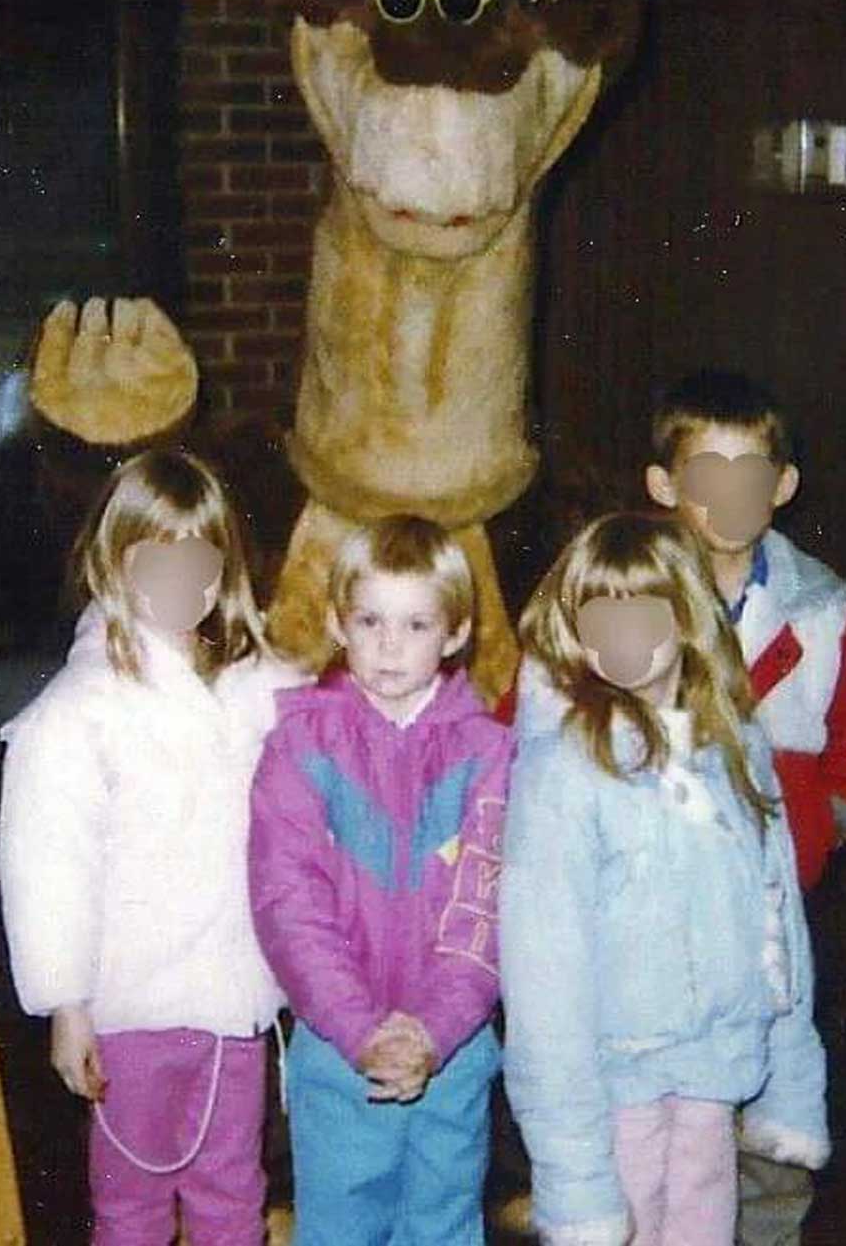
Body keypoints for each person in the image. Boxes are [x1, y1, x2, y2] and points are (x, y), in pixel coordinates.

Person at [0, 448, 301, 1246]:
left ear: (224, 571)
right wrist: (66, 1004)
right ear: (114, 563)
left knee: (233, 1193)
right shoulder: (79, 710)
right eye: (155, 564)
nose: (178, 583)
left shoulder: (254, 687)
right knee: (132, 1202)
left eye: (199, 564)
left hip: (232, 1002)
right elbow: (48, 866)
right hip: (131, 1009)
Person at [501, 512, 828, 1246]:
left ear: (685, 619)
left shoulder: (735, 750)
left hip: (713, 1074)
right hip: (616, 1086)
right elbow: (542, 976)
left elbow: (780, 927)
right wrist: (573, 1174)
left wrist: (790, 1086)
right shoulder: (564, 770)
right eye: (601, 621)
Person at [645, 369, 846, 1244]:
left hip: (767, 921)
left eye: (750, 473)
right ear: (664, 486)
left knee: (767, 1124)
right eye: (705, 473)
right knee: (653, 1133)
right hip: (647, 918)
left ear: (784, 485)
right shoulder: (617, 597)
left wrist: (828, 817)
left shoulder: (820, 614)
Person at [248, 515, 512, 1246]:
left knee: (444, 1225)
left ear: (456, 632)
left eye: (416, 623)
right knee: (340, 1226)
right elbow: (288, 902)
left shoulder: (491, 753)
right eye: (370, 620)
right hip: (338, 1051)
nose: (390, 645)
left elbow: (486, 907)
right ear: (338, 622)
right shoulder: (298, 744)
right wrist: (360, 1029)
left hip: (454, 1049)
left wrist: (435, 1029)